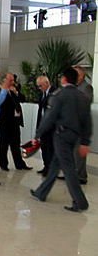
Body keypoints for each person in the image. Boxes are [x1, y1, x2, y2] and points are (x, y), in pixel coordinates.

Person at [30, 68, 91, 212]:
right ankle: (41, 192)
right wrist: (85, 142)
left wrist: (38, 134)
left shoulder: (59, 95)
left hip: (61, 136)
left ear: (64, 79)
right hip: (74, 136)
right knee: (56, 164)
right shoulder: (81, 96)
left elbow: (49, 117)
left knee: (68, 168)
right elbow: (87, 121)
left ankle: (80, 201)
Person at [0, 72, 32, 171]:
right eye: (10, 80)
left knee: (16, 143)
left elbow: (23, 99)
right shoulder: (0, 90)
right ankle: (3, 163)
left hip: (15, 120)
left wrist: (16, 92)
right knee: (4, 143)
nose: (12, 82)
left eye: (13, 80)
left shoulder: (14, 89)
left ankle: (19, 163)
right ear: (4, 80)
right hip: (5, 120)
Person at [74, 66, 94, 184]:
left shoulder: (86, 87)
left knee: (78, 153)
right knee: (72, 153)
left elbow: (87, 102)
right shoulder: (74, 87)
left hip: (80, 125)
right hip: (72, 125)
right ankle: (72, 174)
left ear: (81, 75)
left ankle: (81, 177)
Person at [36, 76, 56, 176]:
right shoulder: (42, 94)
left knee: (50, 148)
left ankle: (50, 169)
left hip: (52, 126)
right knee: (44, 147)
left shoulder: (55, 93)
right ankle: (46, 166)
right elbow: (40, 112)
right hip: (43, 125)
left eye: (40, 86)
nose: (40, 88)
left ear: (46, 83)